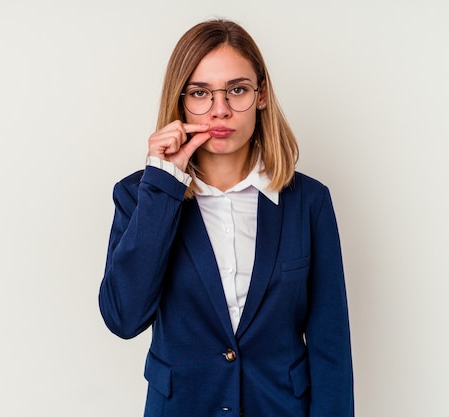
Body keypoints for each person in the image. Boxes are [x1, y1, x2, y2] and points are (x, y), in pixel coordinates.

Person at [99, 19, 354, 417]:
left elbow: (330, 346)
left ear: (262, 95)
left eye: (237, 90)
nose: (220, 111)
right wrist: (163, 186)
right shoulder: (140, 196)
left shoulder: (309, 201)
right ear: (181, 100)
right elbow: (123, 318)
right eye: (201, 93)